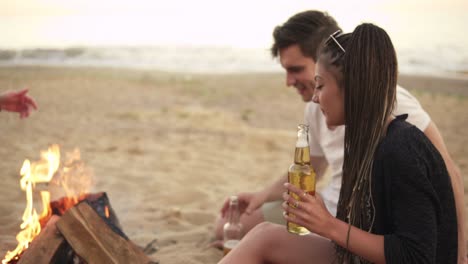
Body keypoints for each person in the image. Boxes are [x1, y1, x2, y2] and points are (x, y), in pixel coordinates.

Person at [213, 10, 466, 263]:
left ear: (352, 84)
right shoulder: (362, 137)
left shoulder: (400, 142)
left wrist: (329, 225)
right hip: (353, 237)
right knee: (258, 233)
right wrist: (302, 209)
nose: (313, 96)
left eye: (320, 85)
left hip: (361, 242)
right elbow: (313, 167)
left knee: (263, 239)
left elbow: (416, 253)